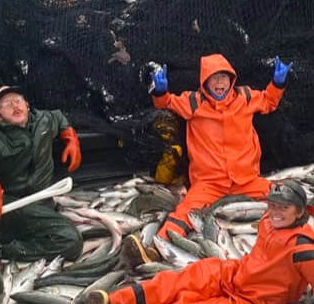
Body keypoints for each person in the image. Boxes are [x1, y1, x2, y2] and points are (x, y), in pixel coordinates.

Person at [83, 179, 314, 304]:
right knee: (182, 278)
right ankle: (113, 300)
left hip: (256, 303)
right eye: (272, 205)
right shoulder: (267, 219)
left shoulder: (305, 250)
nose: (275, 212)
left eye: (283, 208)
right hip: (235, 272)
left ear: (299, 212)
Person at [122, 52, 290, 266]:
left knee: (286, 196)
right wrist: (160, 91)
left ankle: (306, 232)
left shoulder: (245, 97)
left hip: (247, 179)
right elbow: (166, 104)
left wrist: (278, 82)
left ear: (232, 80)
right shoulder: (193, 102)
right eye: (214, 78)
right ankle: (155, 249)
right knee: (184, 213)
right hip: (209, 183)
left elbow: (268, 101)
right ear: (205, 82)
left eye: (224, 77)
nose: (220, 82)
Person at [0, 85, 83, 265]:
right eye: (6, 105)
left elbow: (59, 117)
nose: (15, 106)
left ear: (27, 105)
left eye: (18, 101)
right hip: (5, 208)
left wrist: (70, 137)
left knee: (72, 241)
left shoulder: (44, 120)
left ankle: (4, 252)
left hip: (39, 207)